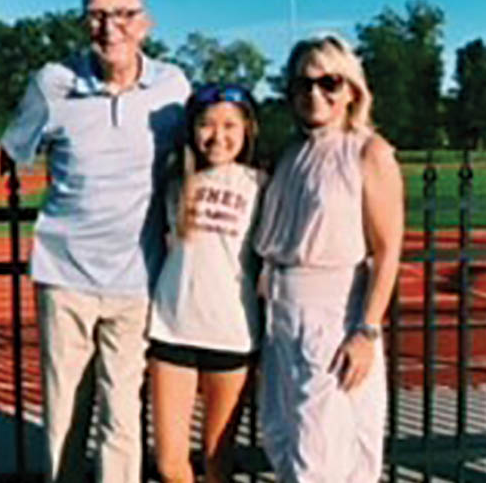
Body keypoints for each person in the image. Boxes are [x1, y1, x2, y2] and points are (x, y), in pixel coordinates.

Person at [0, 0, 190, 483]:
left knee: (122, 419)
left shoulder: (172, 88)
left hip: (138, 280)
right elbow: (3, 156)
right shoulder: (53, 82)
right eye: (96, 15)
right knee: (65, 413)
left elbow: (205, 153)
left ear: (145, 22)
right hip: (65, 277)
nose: (110, 28)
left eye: (123, 15)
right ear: (83, 21)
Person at [254, 34, 403, 482]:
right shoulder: (290, 154)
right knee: (283, 442)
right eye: (302, 84)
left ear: (352, 90)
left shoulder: (369, 152)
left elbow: (387, 249)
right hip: (279, 318)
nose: (314, 93)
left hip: (334, 318)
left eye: (329, 82)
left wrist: (367, 332)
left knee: (317, 460)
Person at [146, 83, 265, 483]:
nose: (217, 135)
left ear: (247, 129)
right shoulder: (175, 183)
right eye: (206, 125)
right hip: (171, 329)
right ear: (192, 131)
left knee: (218, 459)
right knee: (168, 462)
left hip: (231, 333)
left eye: (230, 125)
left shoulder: (259, 185)